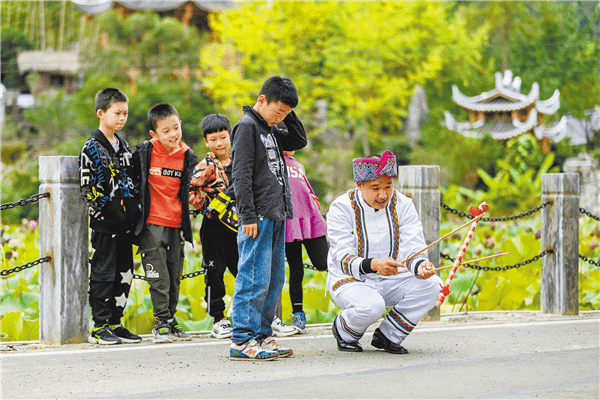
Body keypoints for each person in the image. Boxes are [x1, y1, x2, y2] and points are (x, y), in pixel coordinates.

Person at [326, 151, 443, 354]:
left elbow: (414, 245)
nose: (383, 194)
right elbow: (341, 257)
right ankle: (344, 330)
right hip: (350, 279)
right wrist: (374, 265)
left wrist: (420, 265)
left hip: (392, 277)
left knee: (433, 285)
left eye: (388, 186)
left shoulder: (403, 204)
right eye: (375, 188)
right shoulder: (341, 207)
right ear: (359, 185)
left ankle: (389, 335)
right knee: (372, 307)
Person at [229, 76, 307, 361]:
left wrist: (287, 111)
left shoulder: (270, 128)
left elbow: (299, 140)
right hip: (257, 216)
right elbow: (240, 173)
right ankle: (241, 340)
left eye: (285, 114)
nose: (281, 118)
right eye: (278, 111)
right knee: (253, 278)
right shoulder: (247, 127)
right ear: (261, 100)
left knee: (273, 279)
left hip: (276, 213)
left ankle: (262, 335)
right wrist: (246, 214)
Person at [79, 88, 142, 345]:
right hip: (106, 224)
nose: (122, 118)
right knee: (103, 273)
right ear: (101, 113)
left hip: (127, 224)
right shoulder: (91, 148)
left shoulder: (124, 145)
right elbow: (88, 189)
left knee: (124, 272)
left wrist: (134, 211)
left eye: (125, 113)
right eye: (117, 113)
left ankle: (116, 322)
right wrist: (112, 211)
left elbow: (133, 182)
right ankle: (100, 325)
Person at [132, 103, 198, 343]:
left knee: (174, 273)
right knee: (157, 275)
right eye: (166, 131)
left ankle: (170, 320)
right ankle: (160, 321)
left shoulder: (188, 156)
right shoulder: (143, 153)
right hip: (151, 223)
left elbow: (193, 189)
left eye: (176, 128)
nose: (173, 135)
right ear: (154, 134)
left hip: (177, 223)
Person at [189, 114, 238, 339]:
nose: (219, 143)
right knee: (214, 273)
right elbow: (189, 191)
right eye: (213, 139)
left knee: (244, 272)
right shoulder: (206, 165)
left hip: (240, 227)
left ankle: (246, 315)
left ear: (230, 136)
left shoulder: (240, 160)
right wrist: (208, 205)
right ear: (206, 141)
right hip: (213, 227)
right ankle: (219, 320)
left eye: (223, 137)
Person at [283, 150, 328, 334]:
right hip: (289, 221)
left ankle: (353, 304)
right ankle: (298, 314)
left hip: (310, 219)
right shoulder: (272, 162)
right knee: (296, 269)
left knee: (325, 262)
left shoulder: (297, 165)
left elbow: (306, 191)